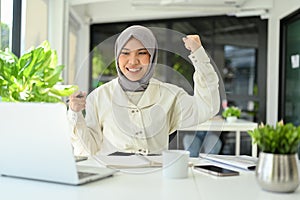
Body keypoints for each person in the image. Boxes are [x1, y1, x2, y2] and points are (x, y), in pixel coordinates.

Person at [68, 25, 220, 156]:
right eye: (125, 53)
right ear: (117, 56)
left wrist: (198, 53)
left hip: (155, 181)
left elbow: (207, 107)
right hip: (113, 181)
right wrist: (75, 114)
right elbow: (87, 150)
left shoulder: (170, 95)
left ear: (152, 57)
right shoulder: (99, 96)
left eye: (141, 53)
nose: (133, 61)